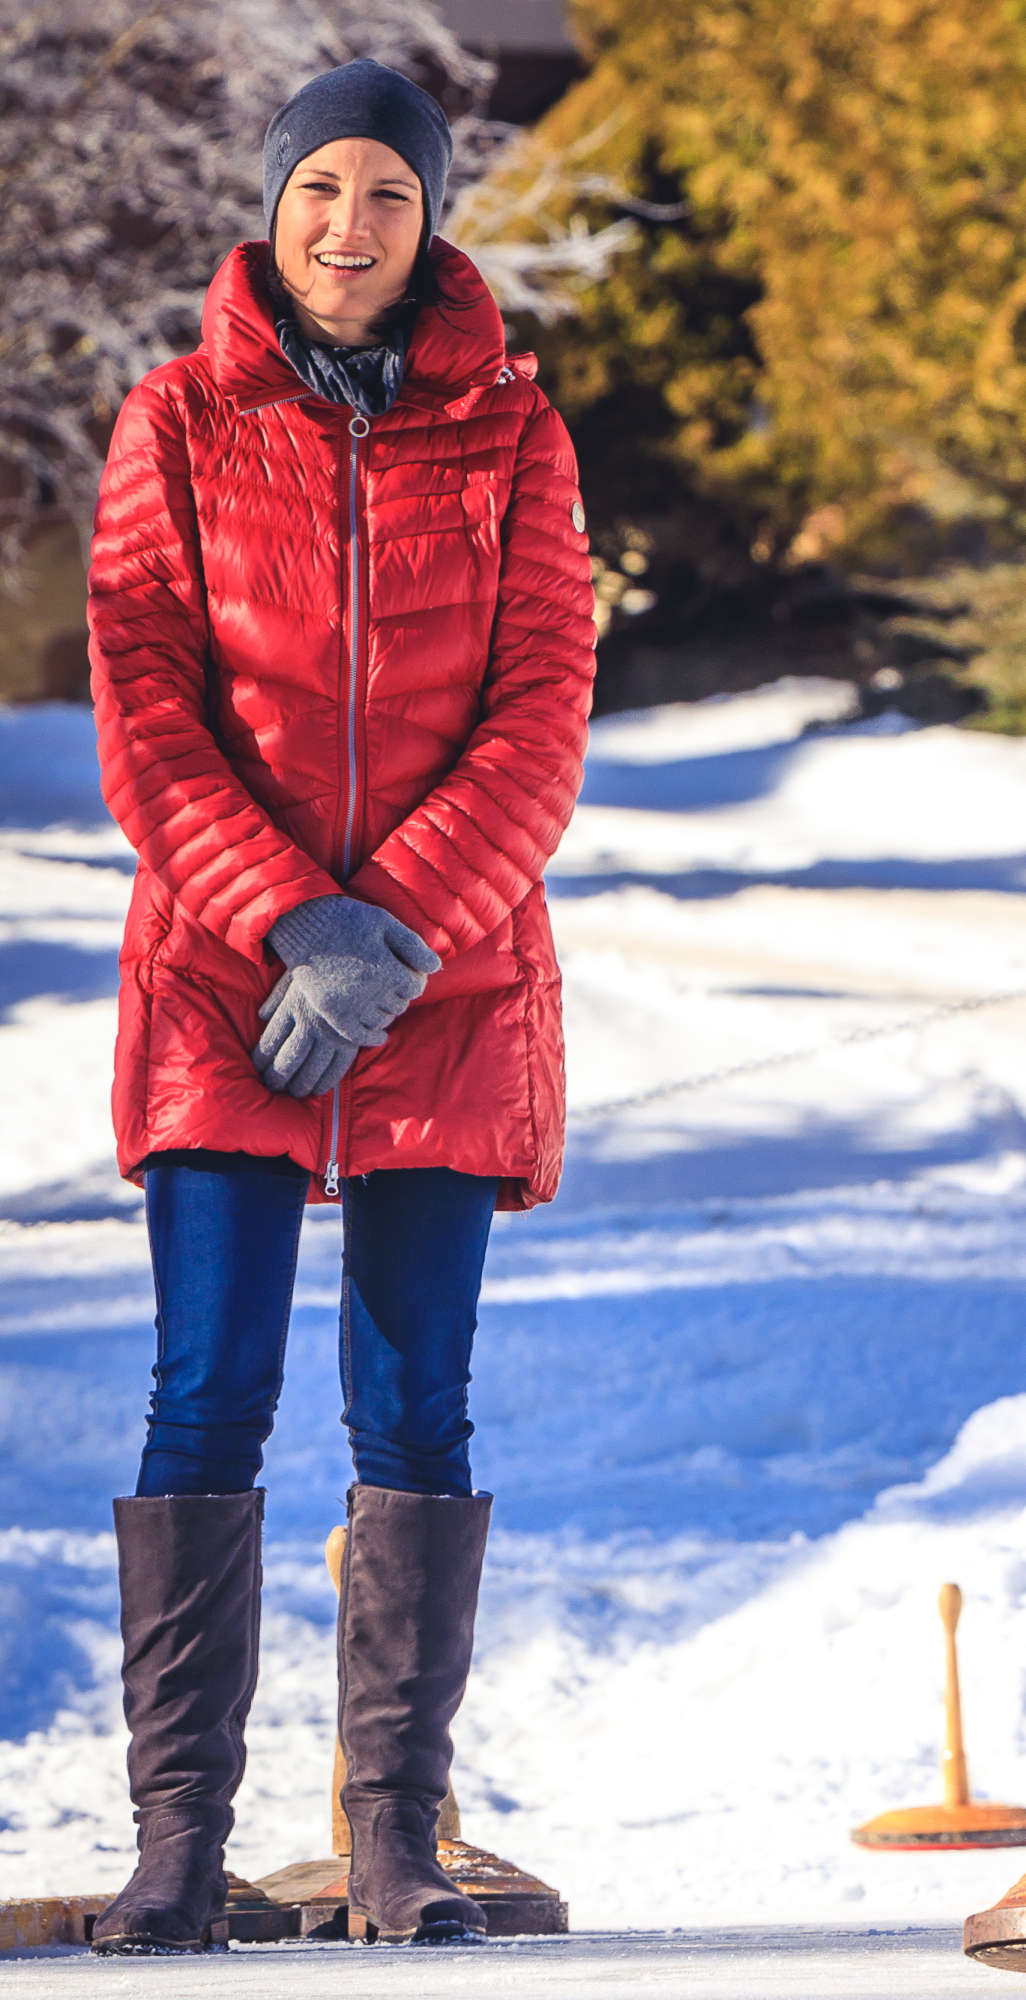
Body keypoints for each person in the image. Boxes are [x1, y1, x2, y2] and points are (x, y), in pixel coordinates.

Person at [86, 60, 595, 1952]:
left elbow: (544, 710)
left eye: (389, 191)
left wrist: (391, 931)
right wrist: (289, 915)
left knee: (419, 1404)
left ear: (431, 215)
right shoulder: (179, 419)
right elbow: (142, 702)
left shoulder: (517, 437)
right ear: (275, 205)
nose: (351, 226)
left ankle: (392, 1834)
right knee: (206, 1390)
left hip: (448, 982)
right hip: (225, 966)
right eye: (322, 191)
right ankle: (177, 1843)